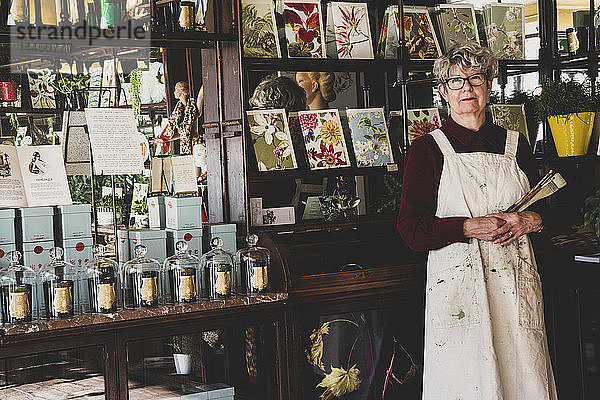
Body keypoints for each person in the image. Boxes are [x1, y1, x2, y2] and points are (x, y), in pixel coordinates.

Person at [396, 42, 557, 399]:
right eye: (455, 81)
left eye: (475, 78)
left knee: (524, 379)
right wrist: (466, 227)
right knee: (467, 382)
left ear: (489, 85)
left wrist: (530, 220)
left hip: (515, 286)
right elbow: (410, 229)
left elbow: (552, 214)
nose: (466, 88)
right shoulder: (428, 150)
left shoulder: (517, 144)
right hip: (458, 291)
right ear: (442, 92)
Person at [154, 81, 198, 155]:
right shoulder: (178, 108)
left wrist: (165, 139)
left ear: (183, 92)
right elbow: (181, 134)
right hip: (187, 146)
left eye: (176, 89)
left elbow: (191, 130)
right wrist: (164, 139)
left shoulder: (192, 106)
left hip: (196, 144)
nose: (174, 92)